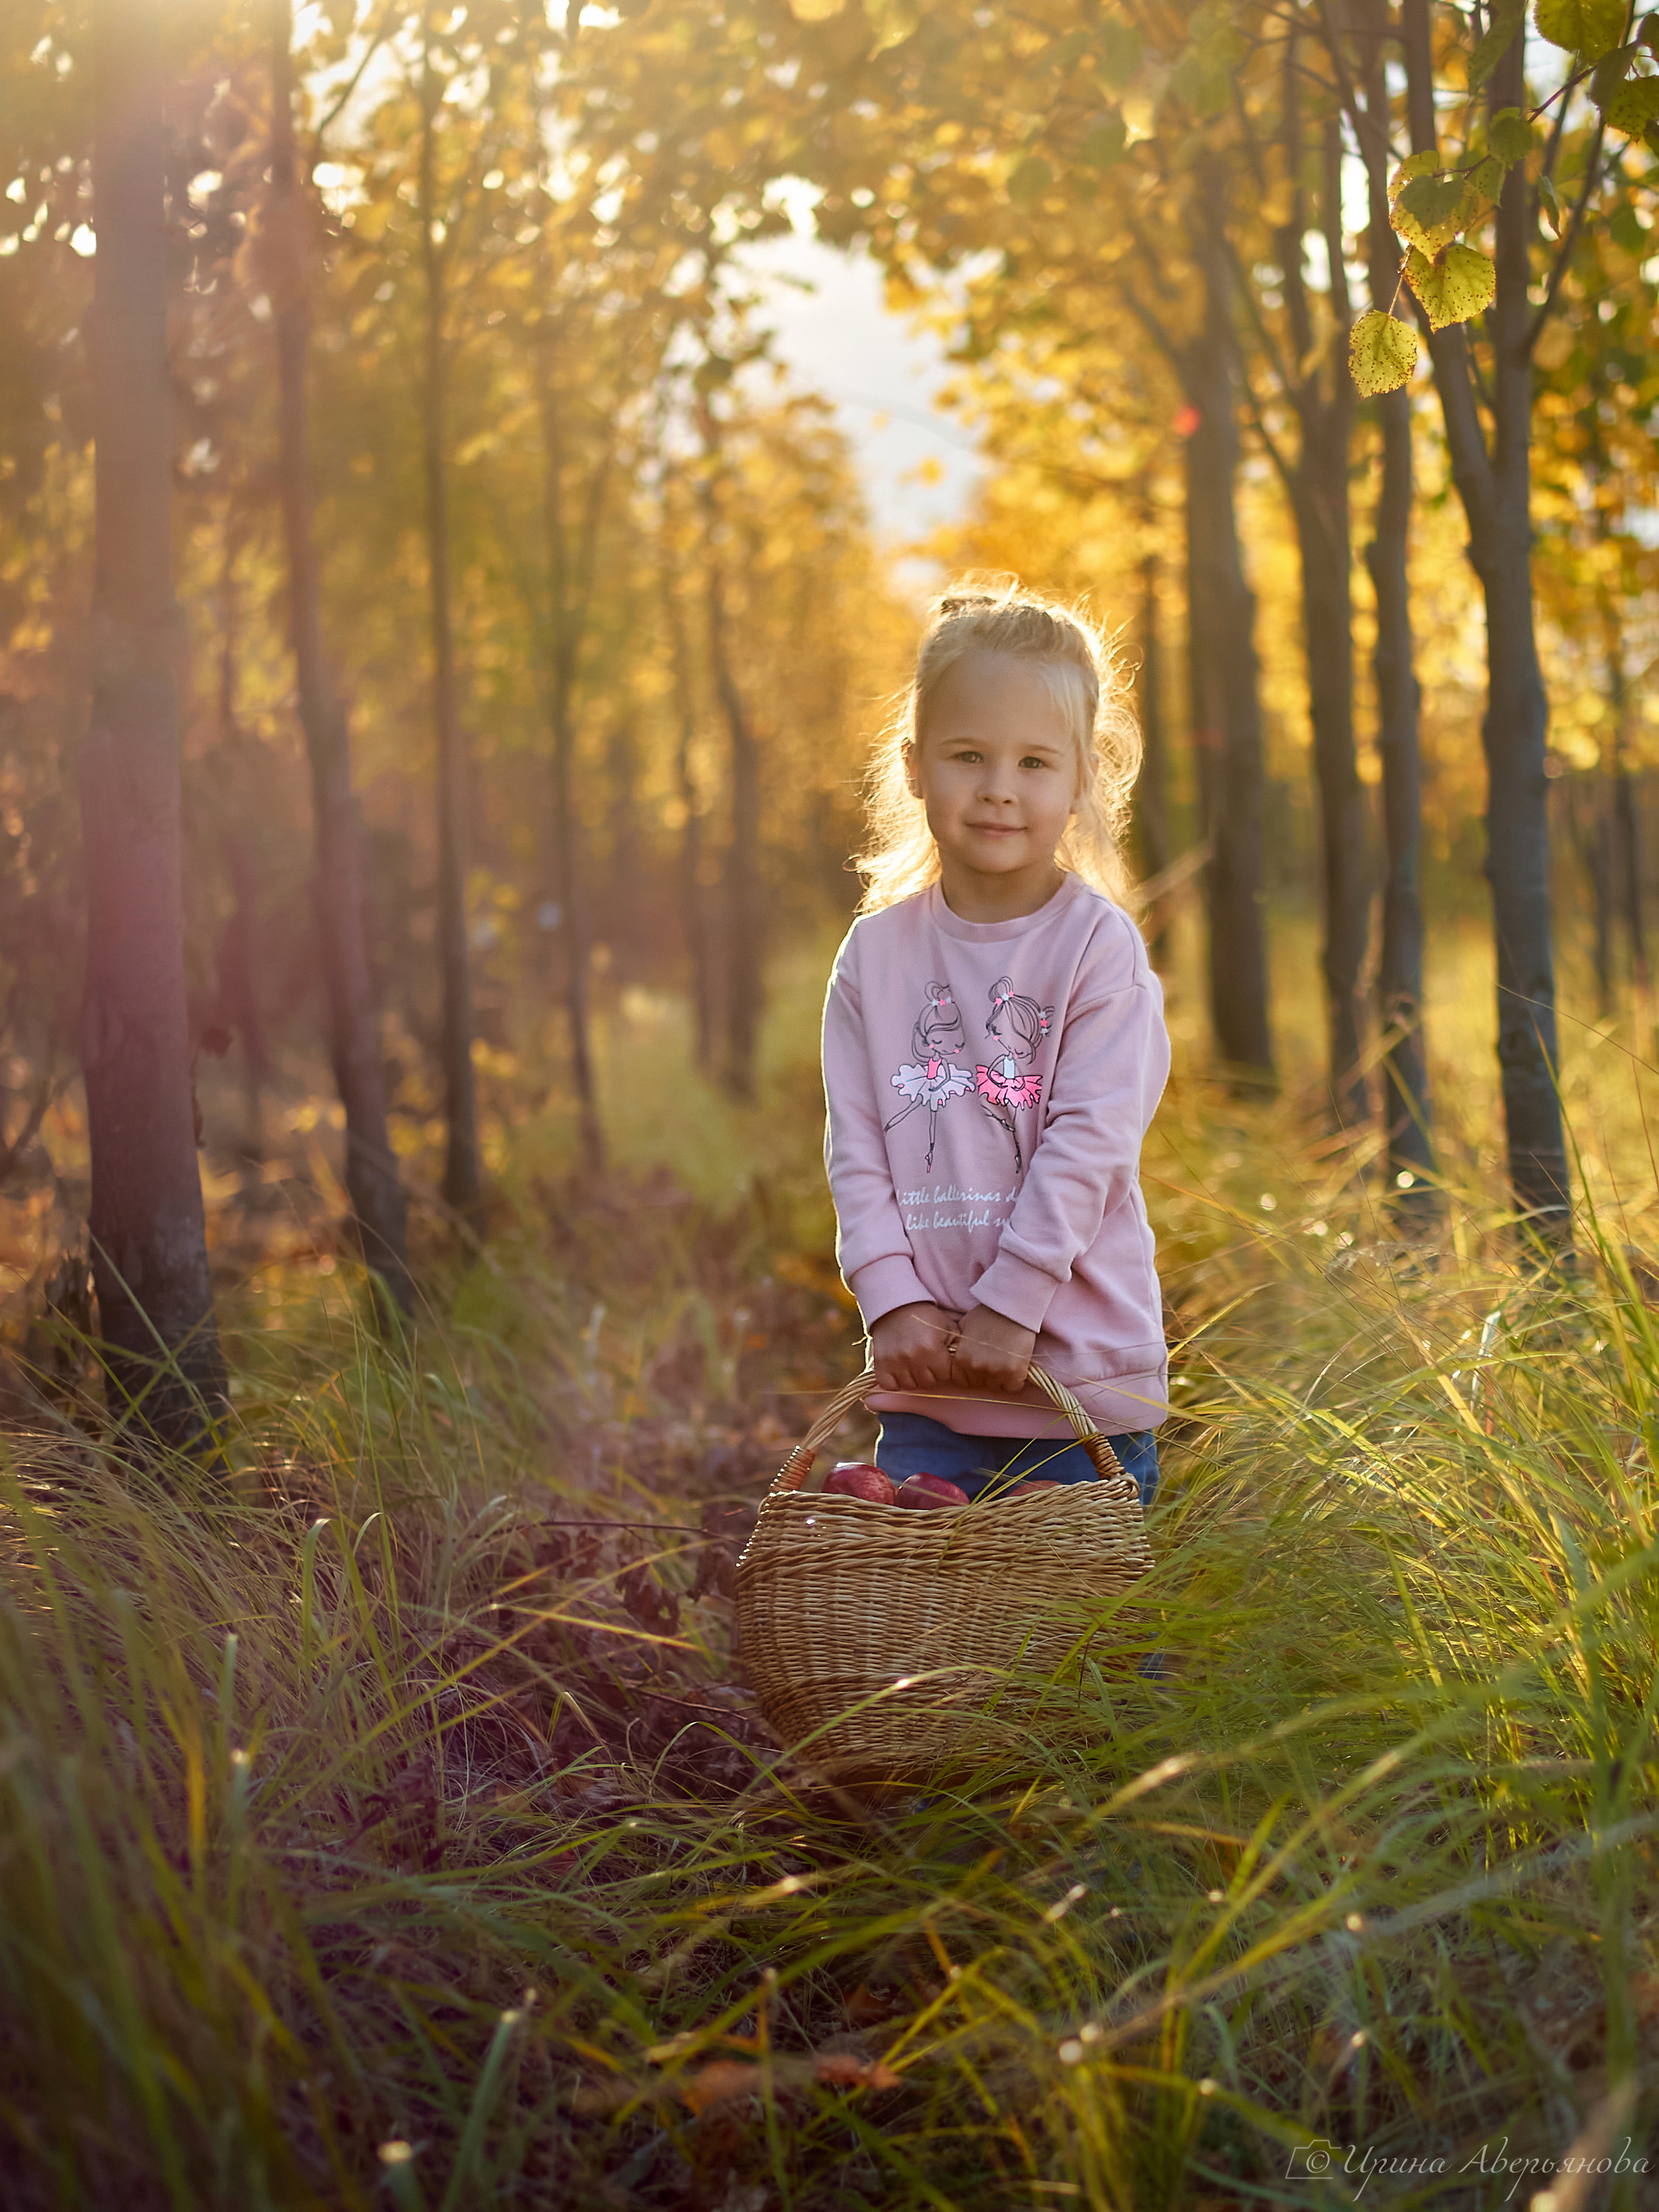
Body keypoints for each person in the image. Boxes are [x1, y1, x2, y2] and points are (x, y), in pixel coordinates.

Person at [821, 580, 1170, 1510]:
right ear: (914, 767)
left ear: (1082, 777)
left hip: (1074, 1388)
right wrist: (891, 1299)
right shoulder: (875, 957)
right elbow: (857, 1148)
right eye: (969, 756)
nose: (999, 789)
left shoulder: (1097, 951)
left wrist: (1013, 1305)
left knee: (1086, 1643)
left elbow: (1091, 1144)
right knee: (941, 1644)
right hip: (930, 1389)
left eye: (1033, 762)